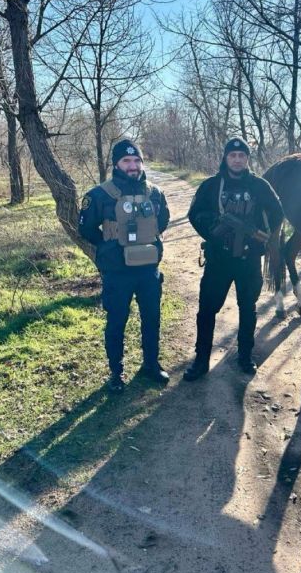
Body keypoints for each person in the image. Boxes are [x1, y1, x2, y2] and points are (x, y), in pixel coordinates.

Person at [183, 137, 284, 381]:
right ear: (225, 158)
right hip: (218, 259)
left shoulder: (260, 186)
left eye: (242, 156)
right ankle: (201, 360)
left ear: (247, 159)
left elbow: (278, 212)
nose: (237, 160)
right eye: (232, 155)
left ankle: (245, 357)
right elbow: (194, 214)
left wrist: (259, 235)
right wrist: (214, 229)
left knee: (247, 309)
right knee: (207, 310)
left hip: (249, 260)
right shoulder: (211, 185)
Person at [79, 139, 170, 390]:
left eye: (137, 160)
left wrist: (144, 240)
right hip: (118, 273)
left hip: (148, 270)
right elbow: (85, 228)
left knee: (152, 318)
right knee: (117, 320)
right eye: (127, 161)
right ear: (116, 164)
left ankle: (151, 364)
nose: (133, 166)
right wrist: (109, 247)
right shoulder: (99, 195)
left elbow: (163, 220)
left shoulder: (154, 192)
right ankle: (116, 373)